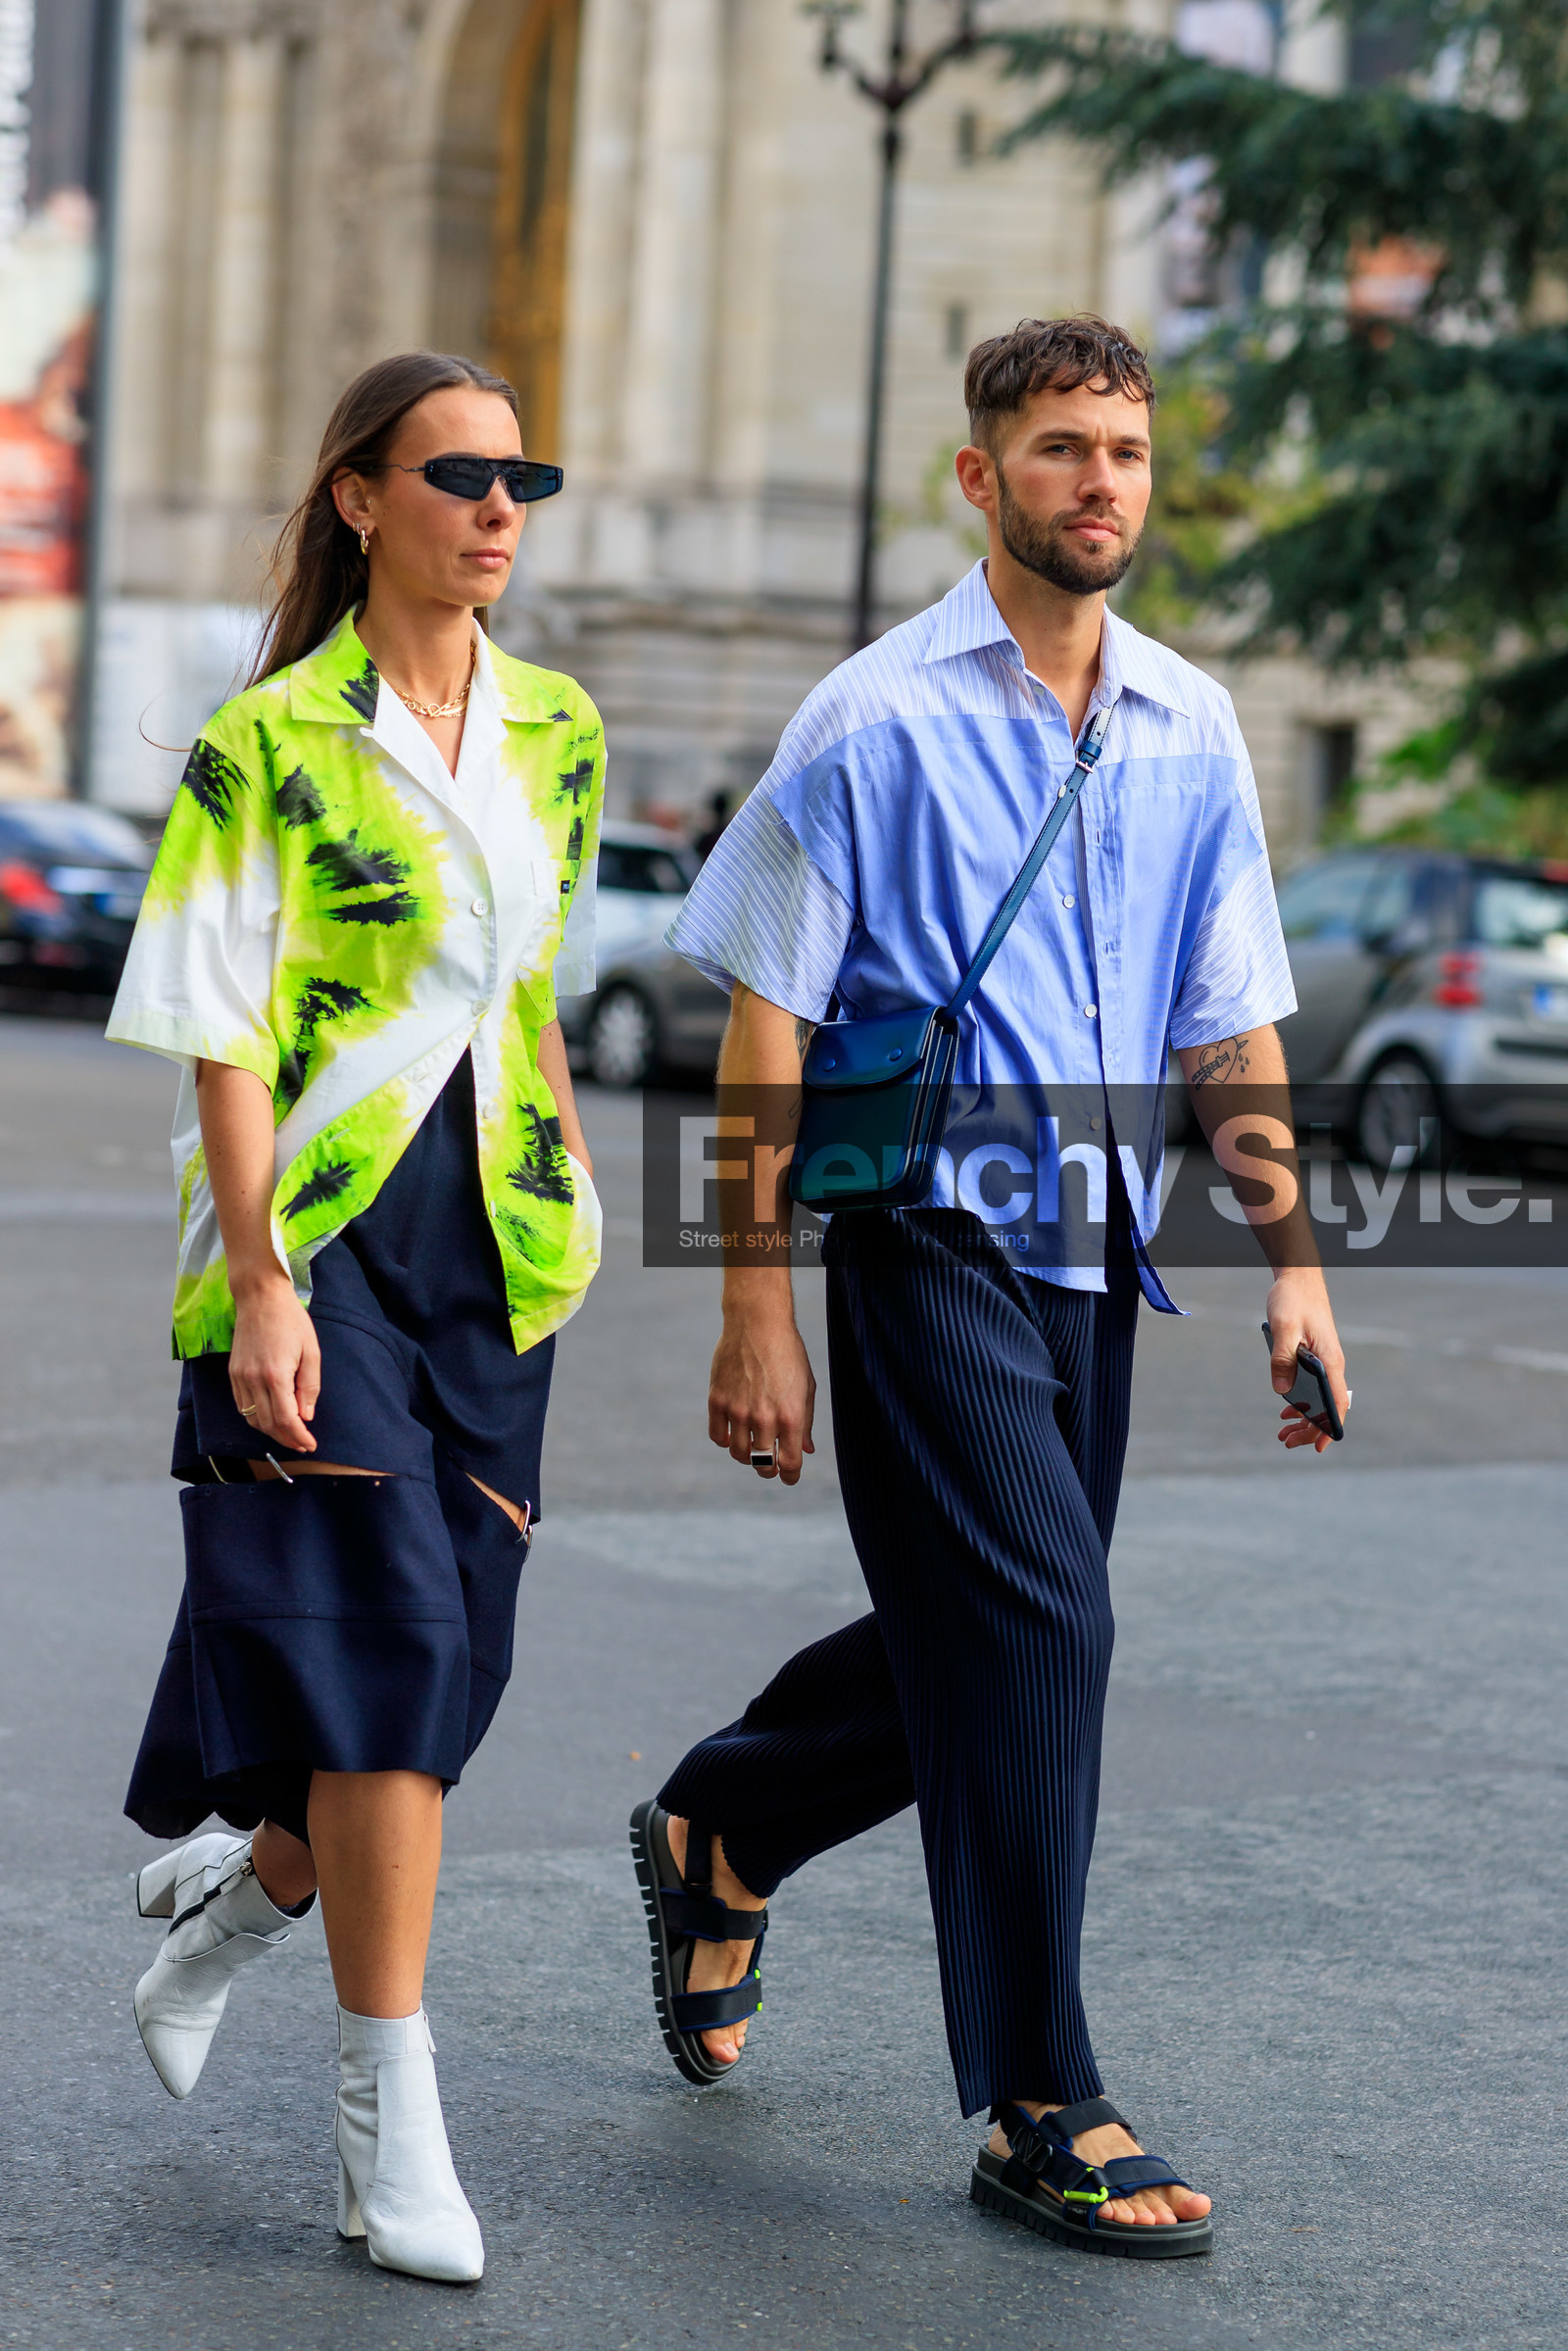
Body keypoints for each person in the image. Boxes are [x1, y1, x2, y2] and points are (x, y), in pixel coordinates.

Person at [627, 317, 1349, 2257]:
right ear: (981, 477)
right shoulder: (867, 718)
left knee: (1000, 1626)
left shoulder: (1192, 722)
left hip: (1094, 1249)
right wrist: (751, 1304)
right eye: (1055, 449)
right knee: (1044, 1635)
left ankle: (727, 1825)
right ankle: (1039, 2097)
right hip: (924, 1225)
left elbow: (1228, 1027)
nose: (1095, 479)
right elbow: (765, 1023)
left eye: (1120, 449)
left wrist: (1292, 1269)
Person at [107, 350, 605, 2283]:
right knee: (391, 1663)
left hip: (501, 1251)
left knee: (446, 1683)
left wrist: (569, 1210)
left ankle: (239, 1900)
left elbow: (535, 989)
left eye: (521, 478)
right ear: (359, 500)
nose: (498, 507)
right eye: (460, 474)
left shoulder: (556, 728)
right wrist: (256, 1281)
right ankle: (389, 2136)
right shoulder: (272, 745)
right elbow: (222, 1030)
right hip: (320, 1237)